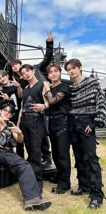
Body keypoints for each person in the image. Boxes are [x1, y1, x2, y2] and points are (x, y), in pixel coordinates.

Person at [0, 103, 52, 211]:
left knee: (25, 166)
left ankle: (32, 199)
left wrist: (20, 133)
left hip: (7, 153)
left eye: (9, 112)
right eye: (5, 110)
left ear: (11, 115)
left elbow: (19, 140)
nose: (6, 113)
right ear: (0, 111)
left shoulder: (11, 125)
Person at [64, 58, 106, 209]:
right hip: (74, 123)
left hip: (87, 122)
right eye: (68, 69)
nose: (71, 71)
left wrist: (95, 123)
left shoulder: (92, 82)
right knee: (79, 157)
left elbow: (101, 101)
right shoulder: (71, 88)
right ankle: (84, 186)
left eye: (73, 68)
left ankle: (96, 196)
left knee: (91, 159)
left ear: (80, 67)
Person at [10, 30, 53, 163]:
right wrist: (18, 86)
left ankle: (47, 157)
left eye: (16, 64)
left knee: (43, 134)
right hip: (31, 110)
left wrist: (49, 43)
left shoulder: (34, 69)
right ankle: (36, 158)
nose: (14, 67)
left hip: (44, 103)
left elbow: (47, 58)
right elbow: (22, 98)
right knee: (34, 136)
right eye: (12, 66)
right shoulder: (22, 81)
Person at [18, 64, 49, 191]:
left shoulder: (42, 84)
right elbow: (22, 108)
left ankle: (38, 182)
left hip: (37, 120)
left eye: (27, 71)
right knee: (29, 150)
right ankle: (31, 178)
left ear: (33, 71)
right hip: (25, 120)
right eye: (23, 73)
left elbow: (48, 102)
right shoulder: (25, 88)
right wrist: (19, 124)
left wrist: (43, 106)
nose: (25, 74)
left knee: (36, 151)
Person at [43, 64, 71, 194]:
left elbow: (53, 101)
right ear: (48, 75)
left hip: (62, 121)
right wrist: (46, 91)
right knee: (55, 152)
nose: (53, 74)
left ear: (60, 73)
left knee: (62, 154)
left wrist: (47, 88)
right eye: (50, 72)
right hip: (51, 121)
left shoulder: (64, 87)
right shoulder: (49, 88)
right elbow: (47, 105)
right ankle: (60, 176)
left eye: (56, 71)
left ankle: (64, 184)